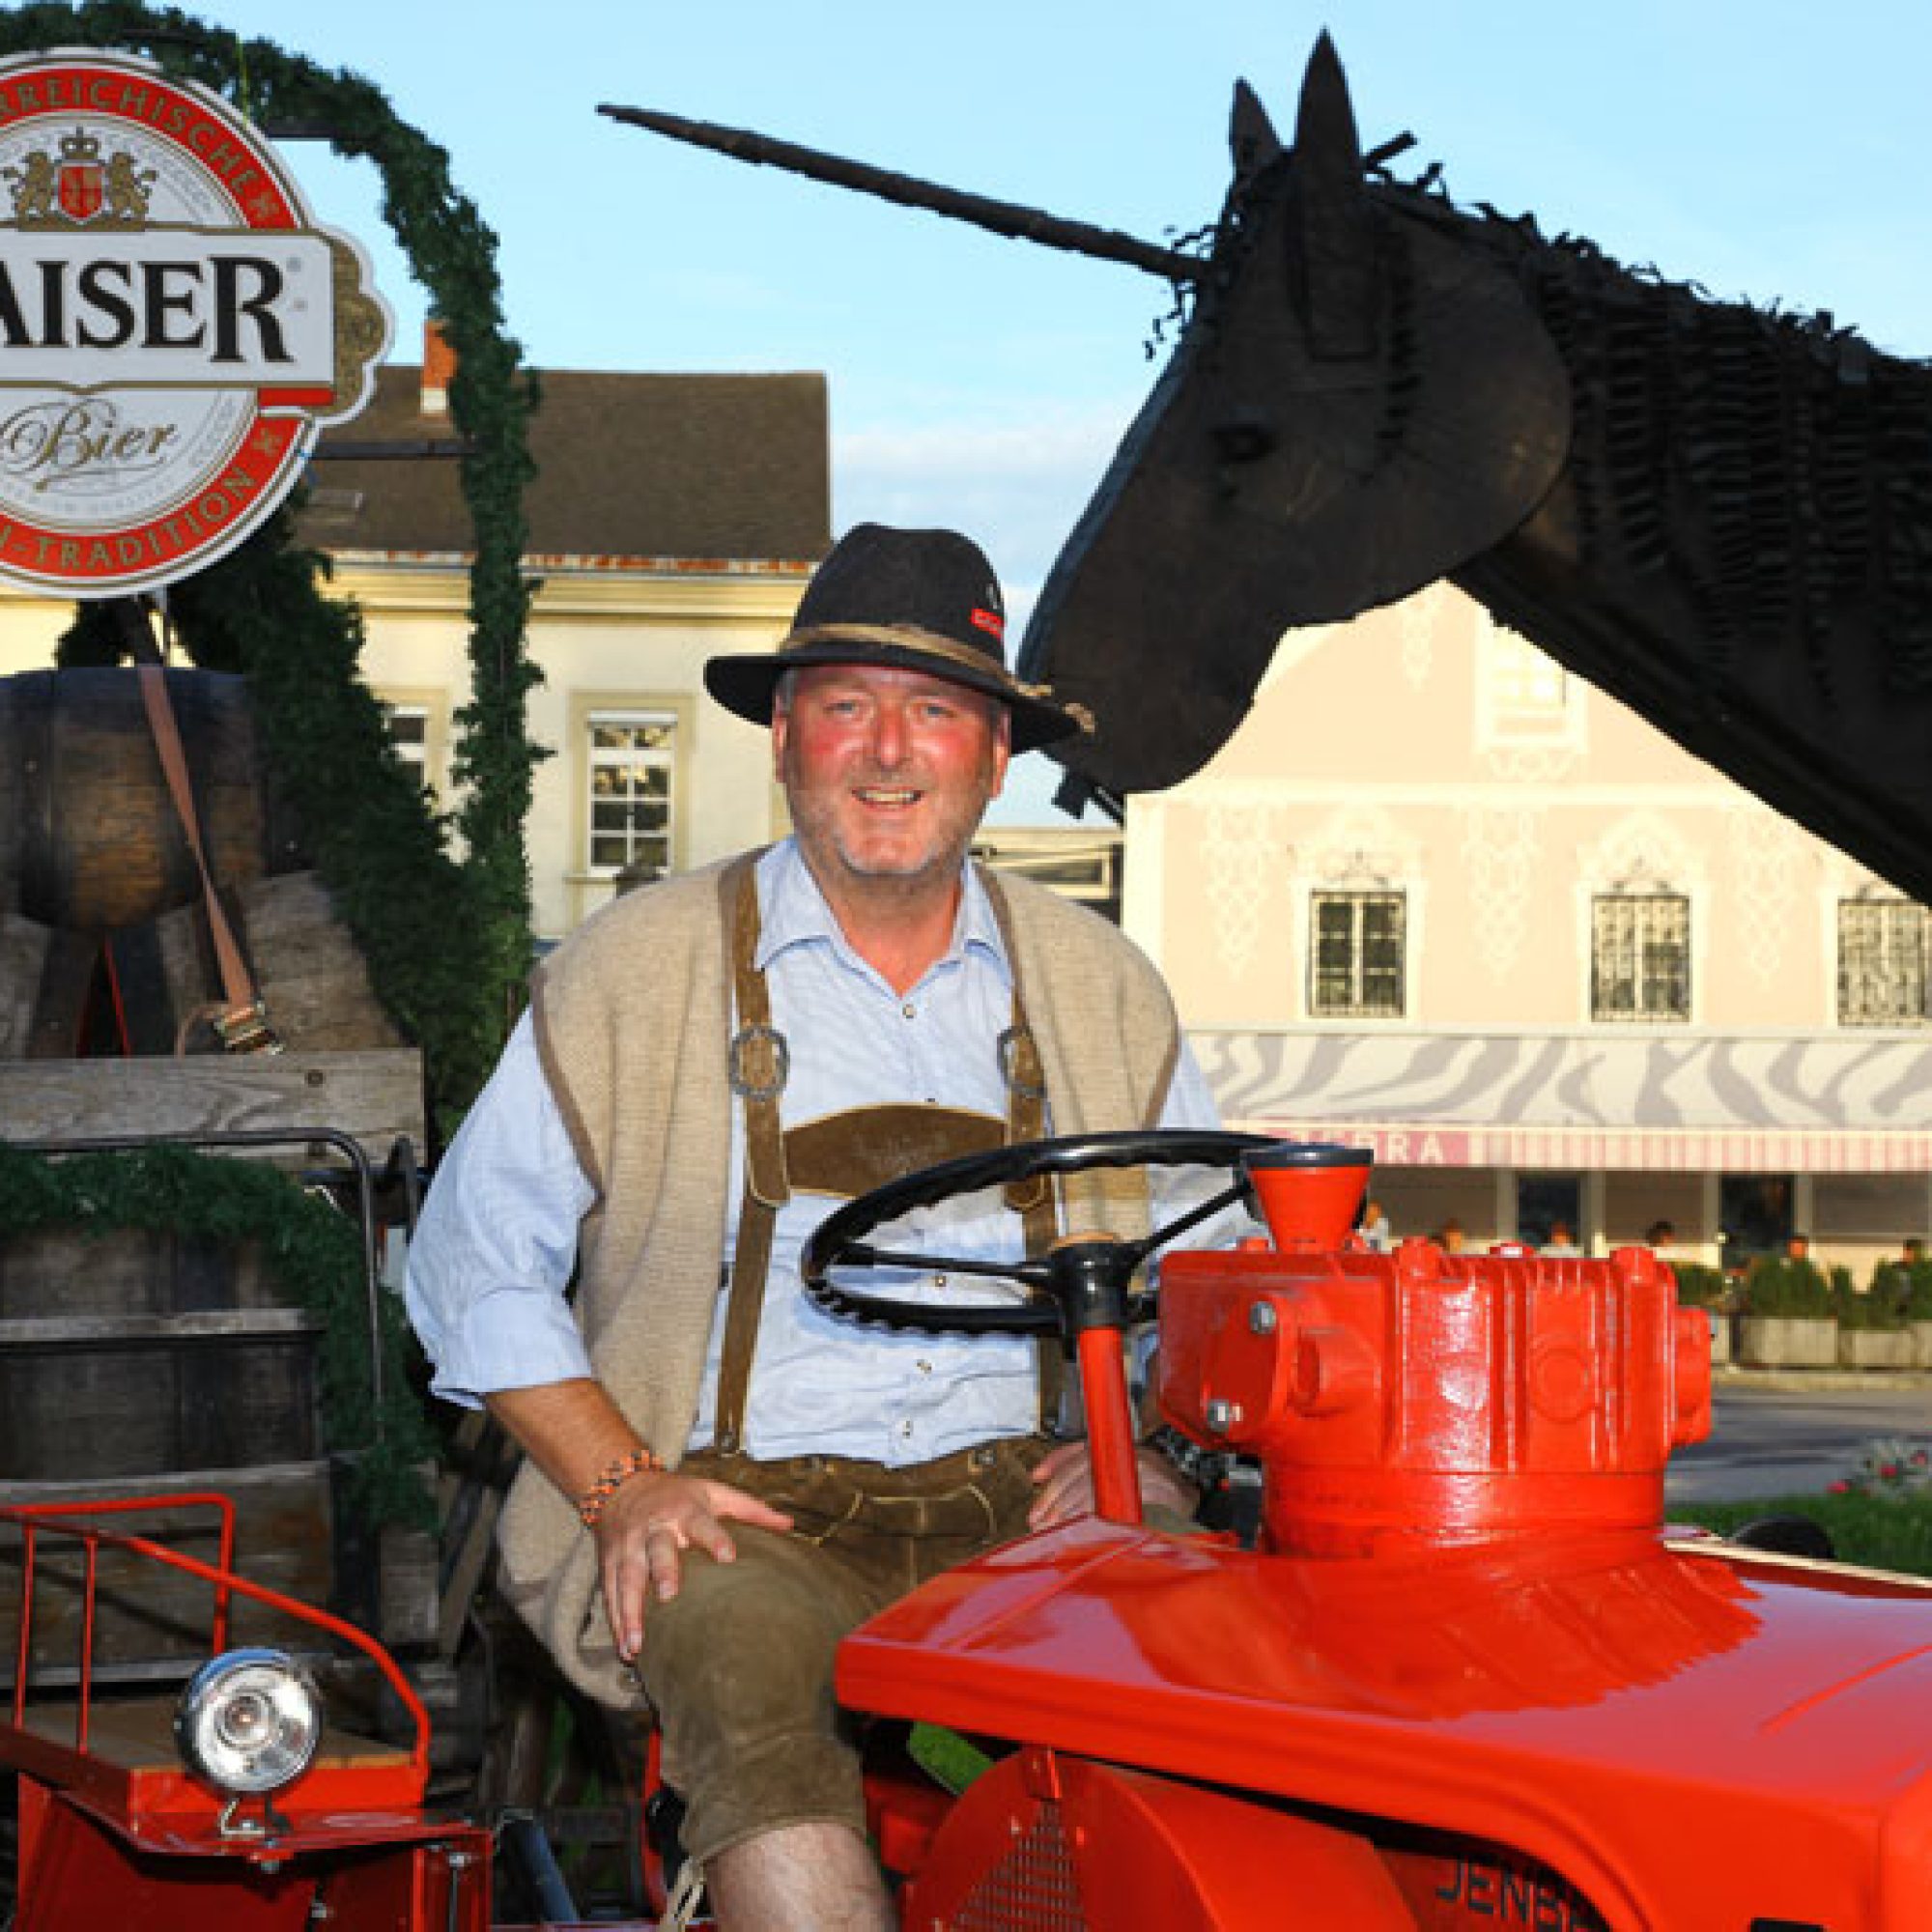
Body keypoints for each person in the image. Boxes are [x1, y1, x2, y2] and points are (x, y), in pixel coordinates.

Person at [407, 524, 1226, 1931]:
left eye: (937, 713)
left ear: (997, 755)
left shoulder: (1103, 983)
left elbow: (1212, 1272)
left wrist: (1149, 1460)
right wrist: (625, 1487)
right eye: (847, 706)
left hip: (1035, 1506)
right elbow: (468, 1268)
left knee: (1222, 1726)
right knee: (748, 1701)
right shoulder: (633, 968)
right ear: (784, 741)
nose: (890, 752)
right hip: (743, 1509)